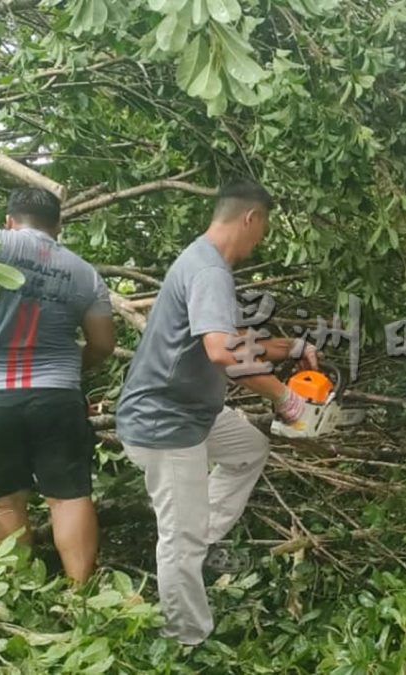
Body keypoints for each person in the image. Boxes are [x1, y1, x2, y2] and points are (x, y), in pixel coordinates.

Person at [115, 178, 316, 646]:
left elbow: (218, 341)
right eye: (262, 230)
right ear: (251, 218)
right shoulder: (210, 272)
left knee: (248, 448)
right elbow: (222, 353)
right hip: (165, 423)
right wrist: (283, 397)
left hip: (194, 412)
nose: (258, 242)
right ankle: (187, 641)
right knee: (179, 543)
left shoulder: (200, 261)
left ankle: (193, 538)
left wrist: (286, 346)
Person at [0, 186, 116, 584]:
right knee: (68, 497)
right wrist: (72, 368)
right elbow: (103, 343)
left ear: (10, 220)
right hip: (56, 395)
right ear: (59, 226)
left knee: (3, 499)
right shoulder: (85, 273)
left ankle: (14, 591)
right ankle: (82, 594)